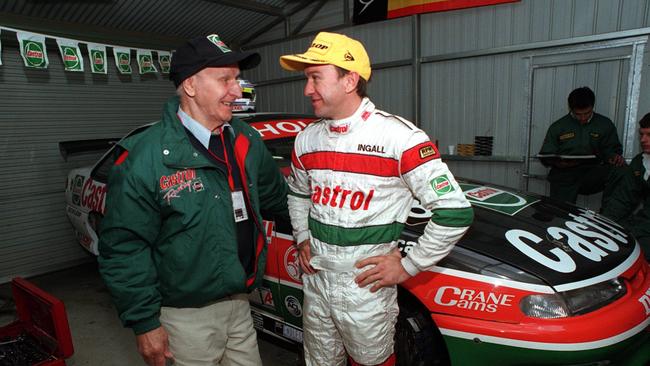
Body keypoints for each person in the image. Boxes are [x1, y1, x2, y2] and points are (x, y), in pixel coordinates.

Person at [279, 32, 474, 366]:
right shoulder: (307, 140)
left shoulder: (399, 137)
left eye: (315, 77)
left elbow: (454, 213)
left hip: (365, 287)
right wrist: (302, 236)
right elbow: (298, 193)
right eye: (306, 79)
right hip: (316, 280)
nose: (307, 89)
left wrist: (408, 265)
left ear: (350, 79)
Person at [98, 34, 289, 366]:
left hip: (241, 305)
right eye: (225, 79)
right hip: (184, 320)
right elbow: (124, 248)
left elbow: (279, 200)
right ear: (190, 86)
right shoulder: (147, 156)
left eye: (238, 79)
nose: (237, 90)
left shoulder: (245, 140)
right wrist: (145, 323)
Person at [538, 86, 626, 204]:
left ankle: (609, 213)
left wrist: (614, 157)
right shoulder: (558, 127)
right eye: (578, 114)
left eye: (587, 113)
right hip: (564, 174)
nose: (583, 118)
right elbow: (546, 154)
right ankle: (561, 216)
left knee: (621, 171)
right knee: (561, 212)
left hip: (593, 172)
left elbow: (612, 149)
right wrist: (557, 162)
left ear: (592, 107)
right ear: (571, 109)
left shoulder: (604, 124)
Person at [601, 113, 650, 259]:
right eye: (641, 134)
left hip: (646, 227)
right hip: (645, 221)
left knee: (637, 253)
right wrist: (603, 225)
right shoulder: (641, 162)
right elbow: (623, 199)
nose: (643, 140)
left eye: (649, 135)